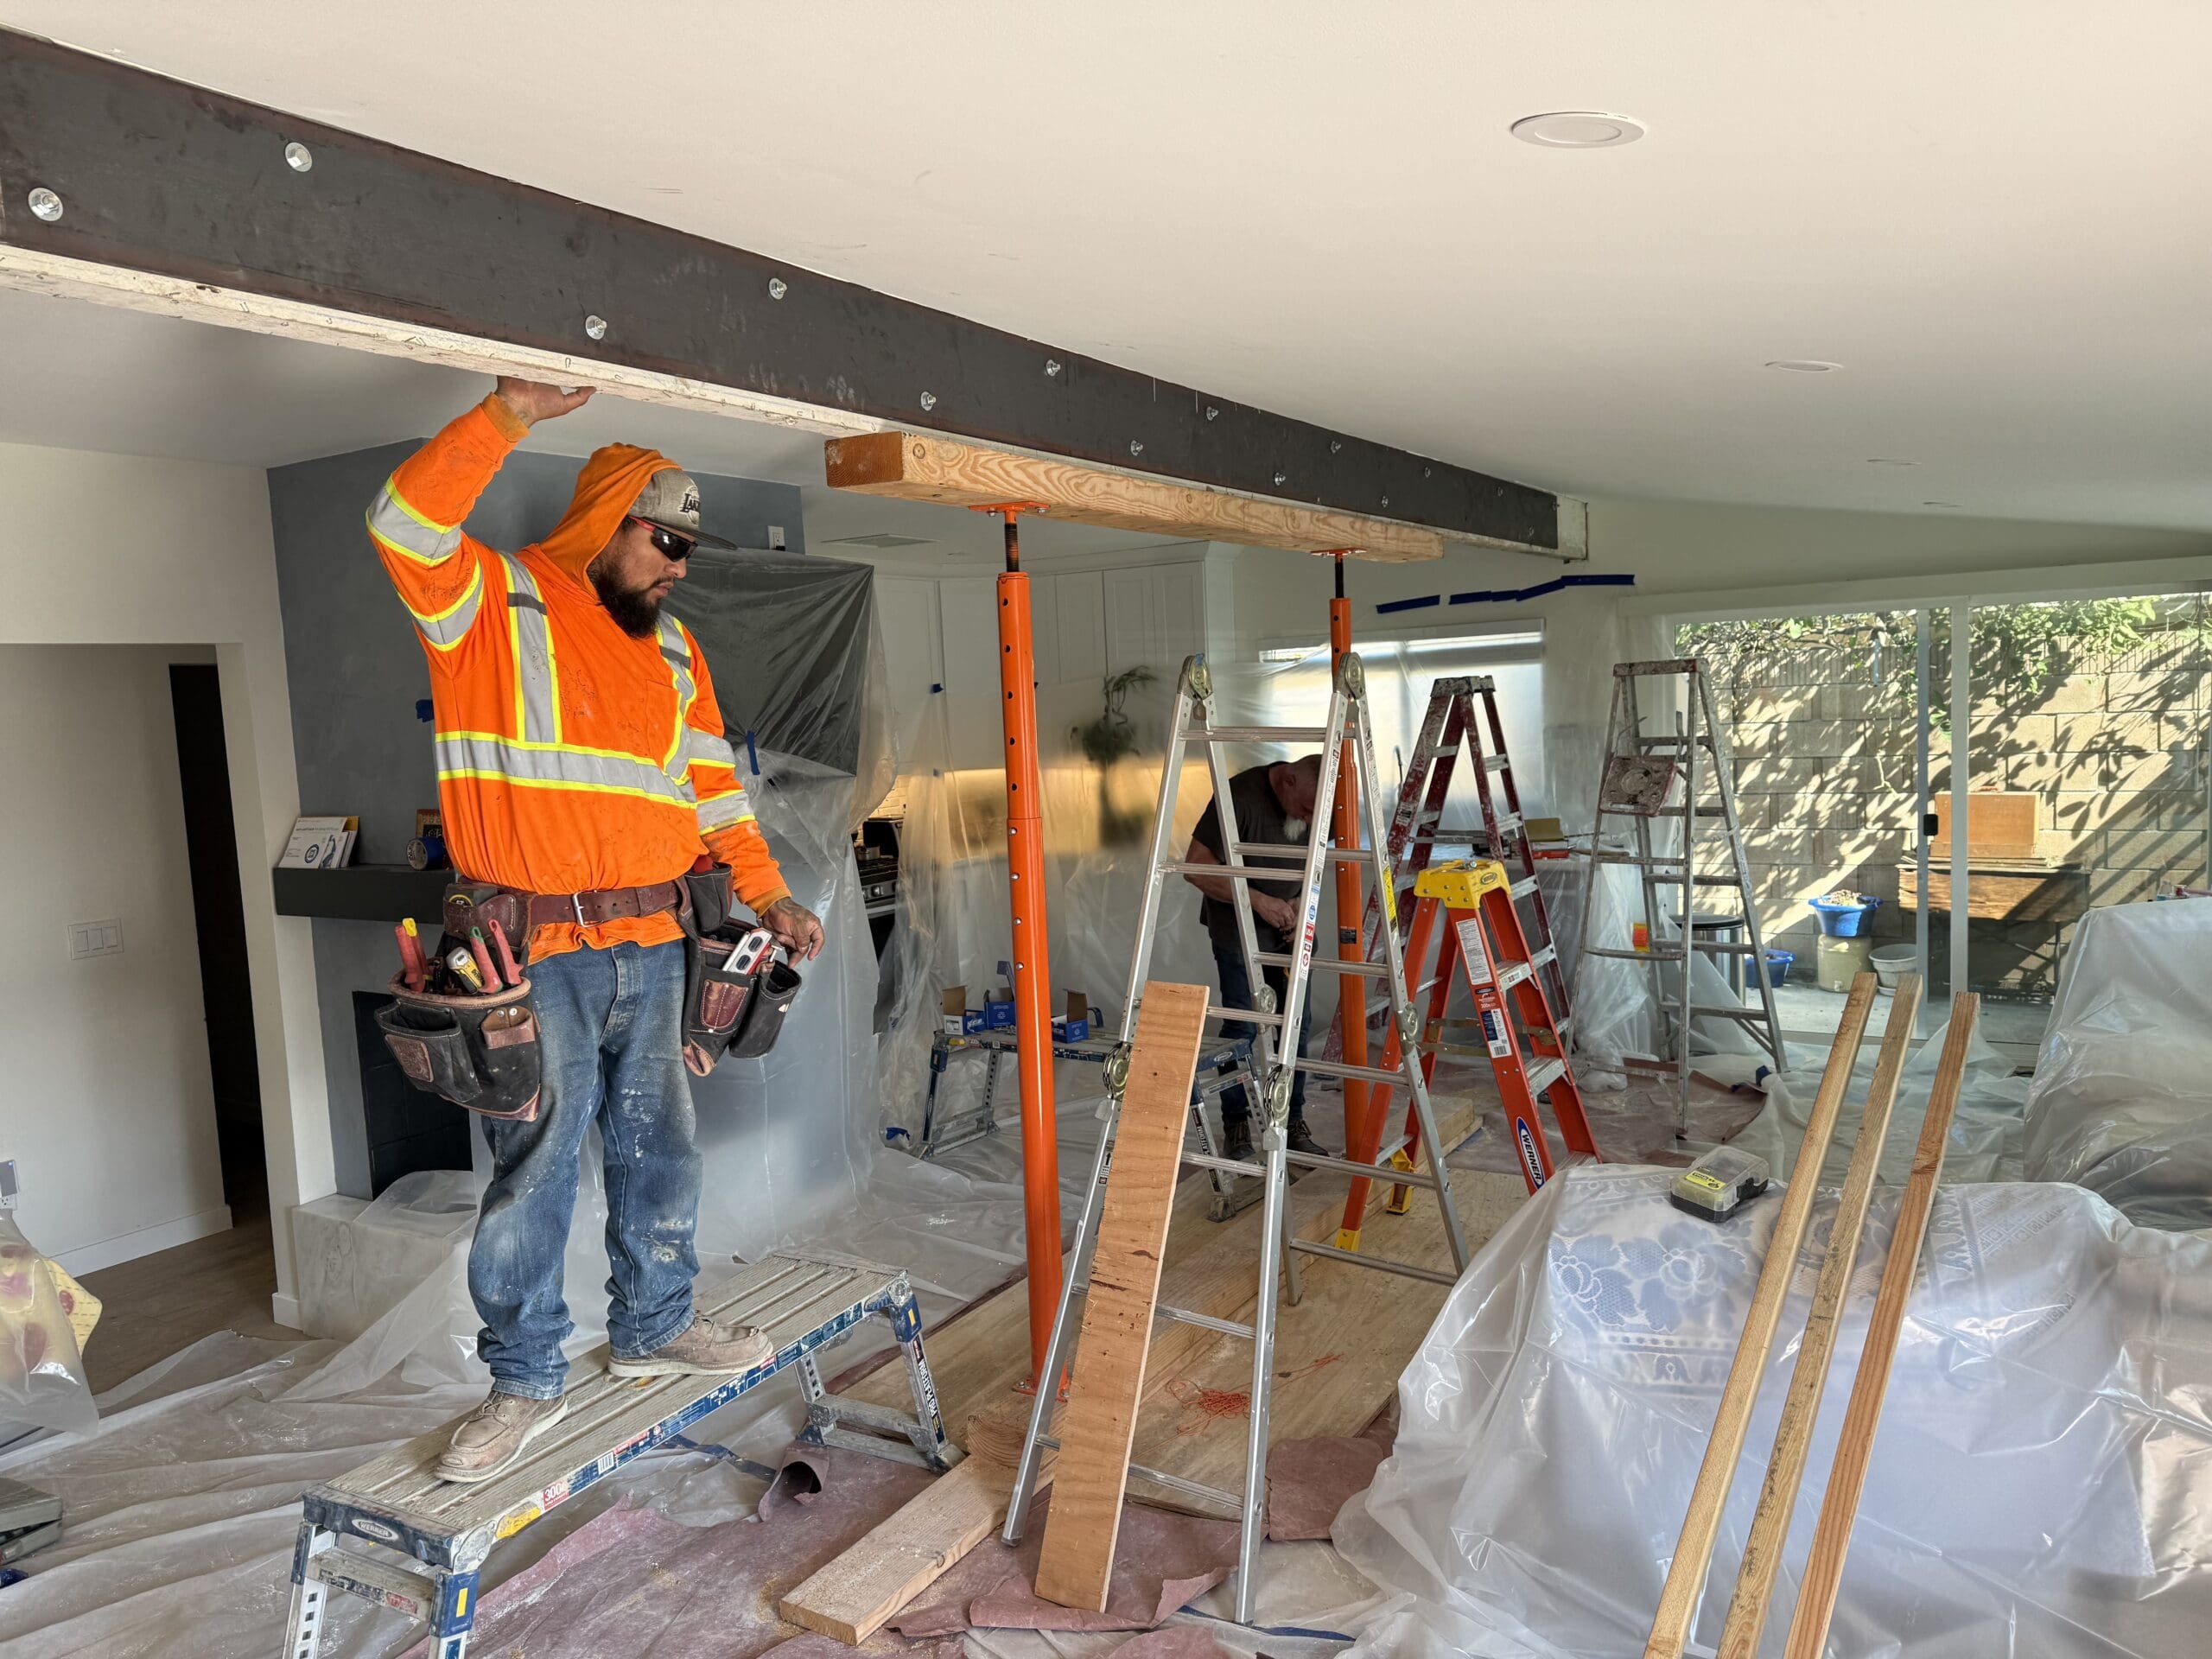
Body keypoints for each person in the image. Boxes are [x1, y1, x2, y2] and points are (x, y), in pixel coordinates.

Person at [369, 376, 825, 1484]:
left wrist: (768, 894)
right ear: (606, 522)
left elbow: (714, 794)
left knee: (661, 1147)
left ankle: (654, 1324)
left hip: (657, 948)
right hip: (533, 956)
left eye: (689, 551)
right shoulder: (492, 604)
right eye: (666, 542)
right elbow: (402, 524)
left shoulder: (675, 654)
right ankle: (524, 1379)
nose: (680, 567)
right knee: (532, 1170)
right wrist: (505, 418)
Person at [1181, 755, 1329, 1164]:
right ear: (1288, 780)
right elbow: (1194, 868)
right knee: (1242, 1028)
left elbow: (1317, 864)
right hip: (1239, 932)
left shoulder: (1317, 799)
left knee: (1296, 1026)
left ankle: (1292, 1121)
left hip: (1291, 930)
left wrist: (1303, 907)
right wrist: (1258, 901)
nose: (1310, 818)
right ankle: (1237, 1125)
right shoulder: (1238, 797)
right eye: (1307, 808)